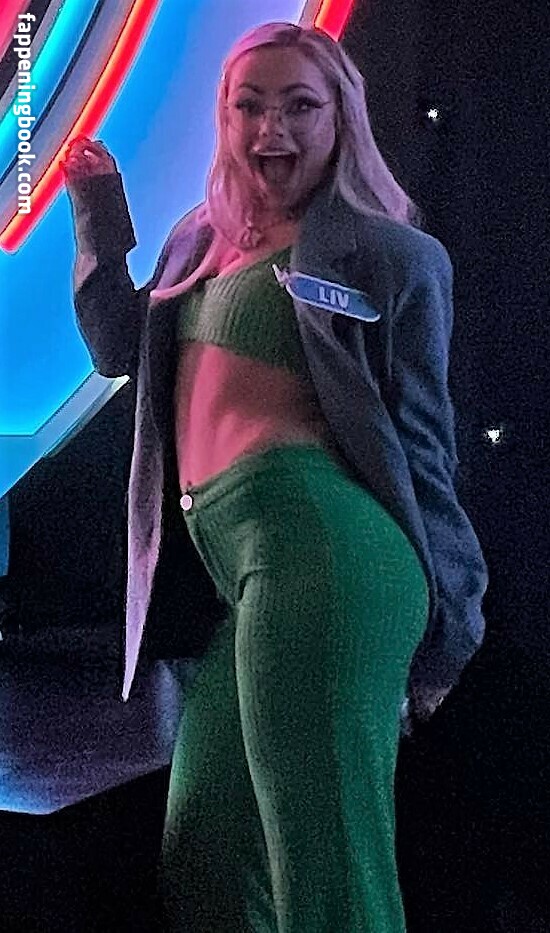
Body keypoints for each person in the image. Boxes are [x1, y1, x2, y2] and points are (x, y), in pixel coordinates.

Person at [61, 21, 488, 933]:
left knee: (324, 864)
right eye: (249, 107)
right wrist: (97, 210)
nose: (272, 130)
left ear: (341, 117)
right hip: (244, 574)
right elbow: (114, 348)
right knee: (208, 857)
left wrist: (454, 619)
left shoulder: (392, 254)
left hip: (328, 553)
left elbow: (426, 448)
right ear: (224, 119)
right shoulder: (197, 240)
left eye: (299, 106)